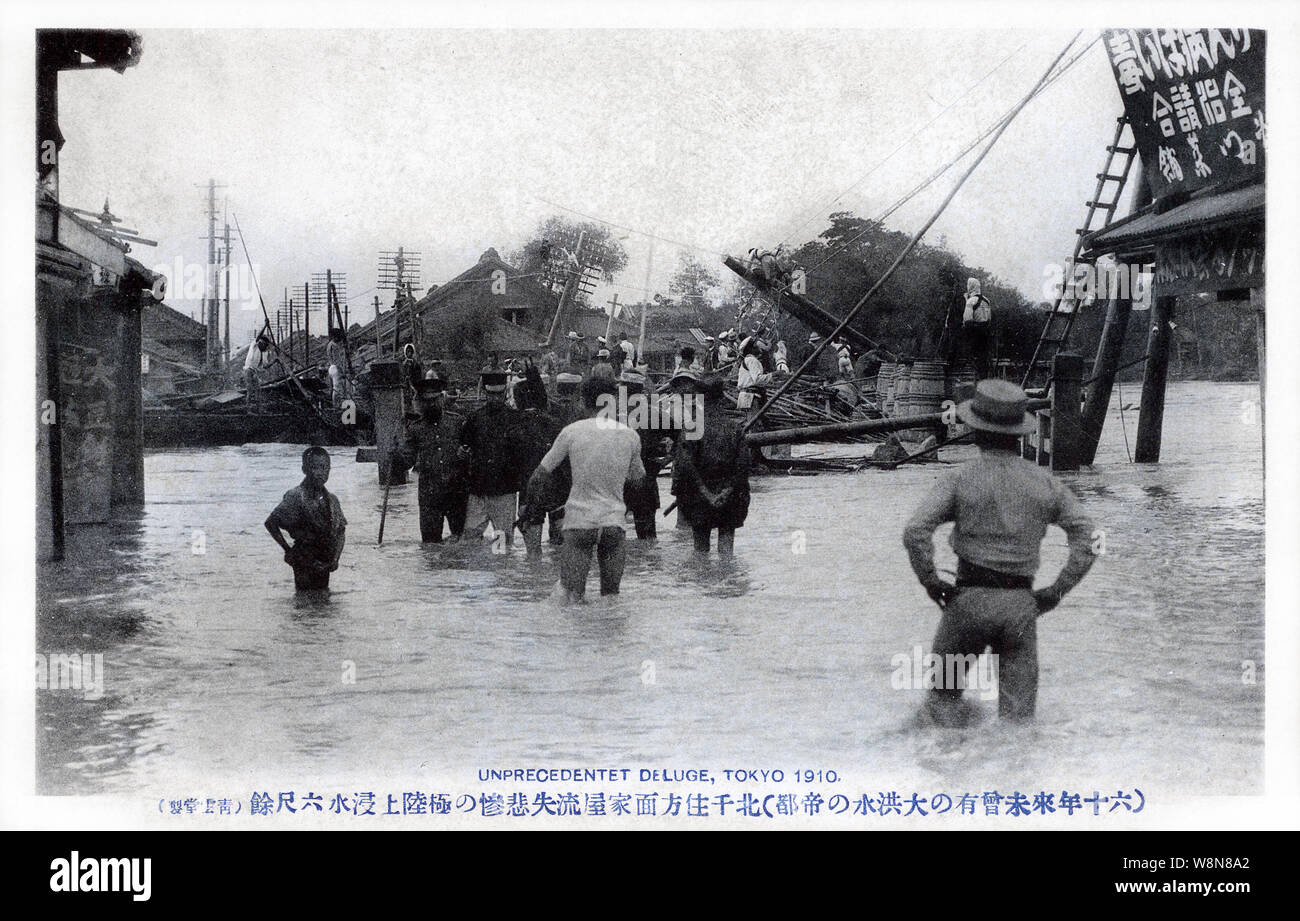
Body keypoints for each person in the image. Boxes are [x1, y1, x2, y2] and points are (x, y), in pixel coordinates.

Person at [902, 379, 1097, 724]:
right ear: (1019, 433)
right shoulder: (1045, 483)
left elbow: (915, 531)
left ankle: (947, 770)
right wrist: (1056, 591)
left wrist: (931, 581)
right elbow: (1091, 538)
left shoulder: (960, 479)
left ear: (976, 430)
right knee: (1019, 723)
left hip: (967, 604)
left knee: (941, 706)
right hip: (1020, 607)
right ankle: (1014, 775)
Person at [527, 376, 645, 601]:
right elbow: (639, 480)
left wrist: (529, 509)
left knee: (571, 596)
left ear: (583, 401)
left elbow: (538, 477)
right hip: (613, 523)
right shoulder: (630, 435)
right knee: (611, 597)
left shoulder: (571, 431)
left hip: (579, 523)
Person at [672, 375, 750, 554]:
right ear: (722, 397)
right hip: (730, 497)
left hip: (698, 497)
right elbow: (743, 466)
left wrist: (706, 493)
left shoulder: (692, 427)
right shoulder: (734, 429)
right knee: (726, 553)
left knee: (700, 552)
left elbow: (685, 465)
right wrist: (727, 491)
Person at [396, 376, 468, 543]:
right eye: (427, 401)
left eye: (435, 400)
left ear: (442, 399)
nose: (431, 404)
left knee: (461, 543)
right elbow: (408, 461)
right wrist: (397, 455)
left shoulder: (457, 422)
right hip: (430, 496)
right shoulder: (415, 429)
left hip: (457, 493)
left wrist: (466, 454)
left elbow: (471, 451)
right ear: (421, 402)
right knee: (430, 546)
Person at [265, 446, 347, 591]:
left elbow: (341, 531)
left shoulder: (332, 499)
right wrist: (287, 550)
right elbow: (271, 523)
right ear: (305, 469)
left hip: (325, 560)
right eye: (315, 467)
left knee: (323, 603)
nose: (321, 473)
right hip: (304, 559)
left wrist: (336, 559)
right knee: (304, 602)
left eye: (325, 468)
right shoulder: (296, 496)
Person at [459, 369, 523, 547]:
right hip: (478, 490)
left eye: (498, 395)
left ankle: (502, 571)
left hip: (504, 490)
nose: (495, 398)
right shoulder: (474, 419)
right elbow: (464, 447)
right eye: (491, 395)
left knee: (501, 542)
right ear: (486, 394)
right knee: (470, 538)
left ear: (504, 394)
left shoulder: (515, 419)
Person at [512, 364, 564, 557]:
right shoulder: (556, 422)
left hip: (529, 493)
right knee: (560, 553)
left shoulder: (515, 426)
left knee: (533, 555)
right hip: (558, 491)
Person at [961, 277, 994, 379]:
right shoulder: (986, 300)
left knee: (969, 358)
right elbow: (989, 319)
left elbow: (967, 320)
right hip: (985, 332)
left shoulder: (971, 301)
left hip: (974, 333)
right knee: (983, 359)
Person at [735, 336, 773, 412]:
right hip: (751, 397)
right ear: (751, 349)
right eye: (755, 346)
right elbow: (757, 379)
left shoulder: (748, 360)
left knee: (752, 421)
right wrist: (773, 375)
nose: (758, 348)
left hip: (747, 396)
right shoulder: (752, 360)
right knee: (754, 422)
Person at [243, 333, 275, 414]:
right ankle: (249, 411)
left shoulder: (264, 353)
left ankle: (259, 410)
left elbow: (265, 366)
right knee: (250, 390)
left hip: (254, 372)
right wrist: (265, 325)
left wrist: (274, 361)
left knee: (258, 390)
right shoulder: (254, 346)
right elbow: (258, 336)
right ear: (261, 343)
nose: (265, 347)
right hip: (248, 370)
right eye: (265, 345)